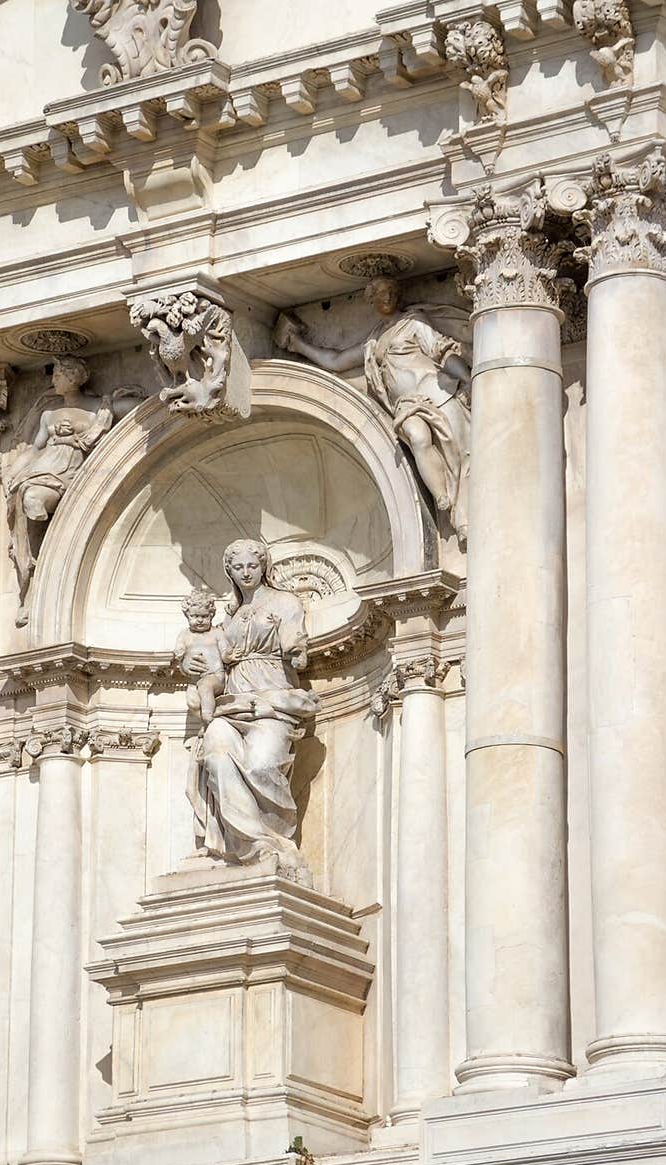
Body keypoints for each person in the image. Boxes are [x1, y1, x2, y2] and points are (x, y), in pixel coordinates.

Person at [275, 275, 472, 543]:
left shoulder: (413, 322)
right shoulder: (373, 342)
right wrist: (298, 345)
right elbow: (336, 360)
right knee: (417, 437)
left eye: (391, 291)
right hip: (407, 405)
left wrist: (469, 379)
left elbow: (442, 351)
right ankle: (442, 498)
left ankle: (463, 519)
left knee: (462, 455)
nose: (387, 297)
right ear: (370, 300)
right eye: (380, 294)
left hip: (438, 392)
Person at [185, 539, 319, 885]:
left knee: (261, 765)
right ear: (229, 572)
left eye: (252, 566)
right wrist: (195, 665)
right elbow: (214, 666)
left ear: (264, 568)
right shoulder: (225, 619)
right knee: (215, 754)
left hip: (273, 699)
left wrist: (295, 651)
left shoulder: (284, 602)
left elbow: (294, 640)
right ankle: (248, 847)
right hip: (232, 704)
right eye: (238, 568)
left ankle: (271, 841)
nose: (246, 573)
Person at [4, 355, 141, 626]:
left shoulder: (96, 407)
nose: (53, 379)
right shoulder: (48, 415)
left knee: (33, 498)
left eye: (57, 374)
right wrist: (12, 472)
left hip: (73, 471)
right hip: (45, 467)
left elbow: (135, 408)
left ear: (73, 377)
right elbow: (35, 449)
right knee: (28, 497)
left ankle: (50, 552)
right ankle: (32, 573)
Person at [174, 589, 230, 725]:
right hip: (195, 680)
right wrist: (180, 653)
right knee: (192, 703)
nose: (199, 620)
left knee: (206, 687)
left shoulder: (217, 633)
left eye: (204, 616)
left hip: (215, 676)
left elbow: (225, 650)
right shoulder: (185, 634)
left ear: (211, 615)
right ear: (187, 616)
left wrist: (228, 655)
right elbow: (179, 648)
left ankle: (208, 718)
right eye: (194, 616)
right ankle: (207, 723)